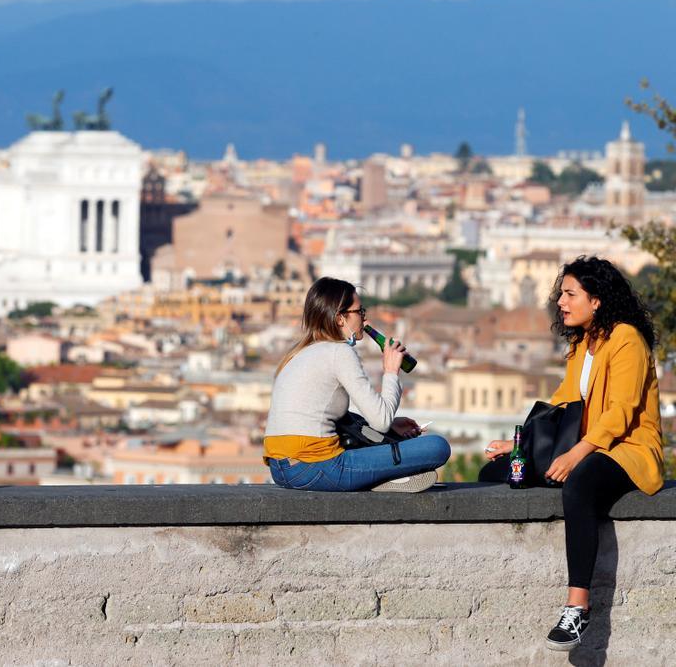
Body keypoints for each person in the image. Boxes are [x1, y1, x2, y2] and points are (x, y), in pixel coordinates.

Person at [483, 256, 664, 652]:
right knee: (496, 473)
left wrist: (578, 453)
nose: (560, 302)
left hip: (628, 449)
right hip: (586, 443)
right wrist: (520, 444)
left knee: (579, 485)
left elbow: (622, 411)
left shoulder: (627, 340)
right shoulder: (584, 342)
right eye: (560, 294)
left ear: (596, 300)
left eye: (569, 294)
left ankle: (577, 606)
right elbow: (563, 402)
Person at [264, 277, 451, 492]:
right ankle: (381, 478)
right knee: (437, 447)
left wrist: (391, 428)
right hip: (317, 469)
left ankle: (377, 476)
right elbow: (380, 420)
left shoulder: (298, 354)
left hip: (281, 471)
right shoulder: (339, 352)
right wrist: (391, 371)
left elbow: (341, 420)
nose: (364, 319)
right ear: (340, 318)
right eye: (359, 312)